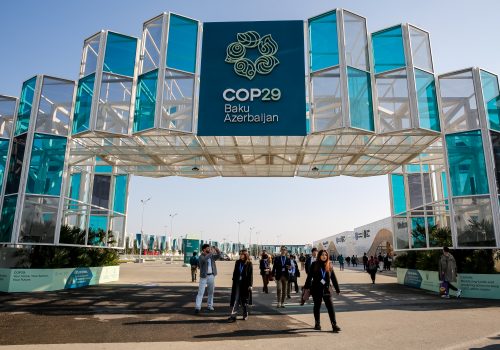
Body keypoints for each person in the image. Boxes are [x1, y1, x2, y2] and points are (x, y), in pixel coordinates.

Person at [304, 249, 341, 332]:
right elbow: (309, 277)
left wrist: (337, 289)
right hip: (316, 289)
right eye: (322, 255)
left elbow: (333, 278)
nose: (324, 256)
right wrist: (306, 288)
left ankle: (334, 324)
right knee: (317, 306)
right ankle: (317, 323)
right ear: (319, 256)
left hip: (327, 290)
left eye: (325, 255)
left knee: (331, 307)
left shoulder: (329, 265)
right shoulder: (314, 264)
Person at [195, 244, 221, 314]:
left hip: (211, 276)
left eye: (209, 248)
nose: (209, 249)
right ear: (204, 249)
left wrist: (217, 249)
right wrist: (211, 253)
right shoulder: (201, 257)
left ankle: (210, 305)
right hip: (204, 277)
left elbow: (219, 255)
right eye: (207, 248)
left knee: (211, 292)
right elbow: (204, 259)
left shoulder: (211, 256)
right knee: (200, 292)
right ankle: (197, 307)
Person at [228, 250, 253, 322]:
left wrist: (250, 285)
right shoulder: (237, 262)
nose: (240, 255)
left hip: (245, 285)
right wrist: (234, 280)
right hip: (237, 284)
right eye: (240, 254)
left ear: (245, 255)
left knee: (244, 301)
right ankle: (233, 316)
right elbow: (235, 272)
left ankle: (245, 313)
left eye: (242, 254)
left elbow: (250, 275)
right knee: (236, 300)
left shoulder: (249, 263)